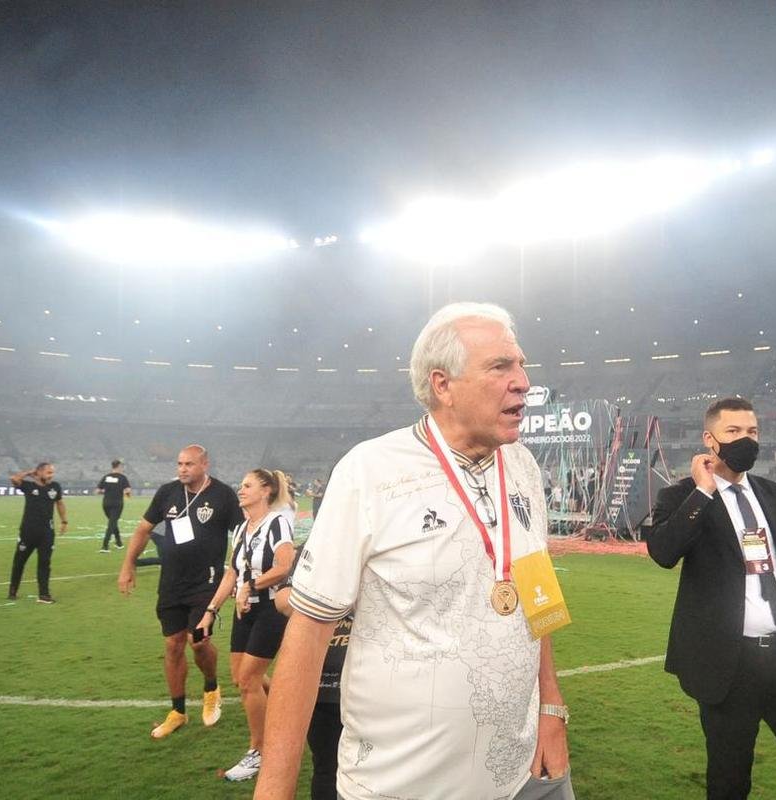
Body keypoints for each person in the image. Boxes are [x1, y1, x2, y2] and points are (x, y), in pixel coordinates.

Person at [256, 302, 572, 800]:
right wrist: (273, 792)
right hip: (403, 785)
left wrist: (551, 708)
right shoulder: (371, 472)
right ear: (442, 384)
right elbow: (309, 633)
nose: (523, 381)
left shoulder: (524, 465)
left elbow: (535, 589)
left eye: (520, 363)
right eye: (500, 366)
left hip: (525, 773)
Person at [643, 397, 776, 799]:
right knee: (730, 780)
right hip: (728, 666)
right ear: (710, 439)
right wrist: (703, 491)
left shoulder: (773, 495)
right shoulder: (682, 495)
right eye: (733, 432)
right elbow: (663, 552)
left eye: (752, 432)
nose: (745, 440)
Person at [117, 445, 243, 739]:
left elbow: (241, 535)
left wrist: (239, 573)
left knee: (197, 642)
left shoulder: (223, 495)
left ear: (204, 464)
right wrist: (128, 565)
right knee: (173, 644)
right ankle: (178, 712)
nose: (182, 469)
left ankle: (211, 686)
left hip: (207, 582)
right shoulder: (167, 493)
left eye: (189, 464)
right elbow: (143, 530)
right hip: (172, 583)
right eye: (179, 464)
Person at [195, 468, 295, 782]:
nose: (241, 490)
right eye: (241, 485)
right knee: (241, 678)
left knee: (249, 680)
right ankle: (288, 705)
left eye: (247, 485)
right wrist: (211, 610)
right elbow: (231, 574)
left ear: (266, 491)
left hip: (270, 609)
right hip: (244, 610)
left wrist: (250, 586)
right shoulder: (242, 529)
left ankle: (260, 752)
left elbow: (284, 566)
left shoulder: (277, 522)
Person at [274, 576, 351, 800]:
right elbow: (281, 598)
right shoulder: (315, 549)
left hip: (372, 684)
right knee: (326, 766)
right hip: (323, 685)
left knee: (378, 766)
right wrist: (325, 601)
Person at [7, 462, 67, 603]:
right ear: (39, 473)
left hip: (47, 532)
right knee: (19, 562)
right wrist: (29, 472)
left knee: (45, 563)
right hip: (28, 532)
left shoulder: (55, 487)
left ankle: (44, 595)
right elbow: (14, 479)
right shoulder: (28, 486)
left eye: (52, 473)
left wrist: (64, 521)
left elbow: (59, 503)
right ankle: (13, 590)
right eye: (48, 472)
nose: (51, 475)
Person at [96, 459, 132, 552]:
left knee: (113, 522)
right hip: (117, 504)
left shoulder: (106, 477)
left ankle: (119, 542)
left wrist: (106, 491)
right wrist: (127, 494)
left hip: (106, 503)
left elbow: (98, 491)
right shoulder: (122, 477)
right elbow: (128, 490)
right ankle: (105, 546)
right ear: (119, 466)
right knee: (111, 523)